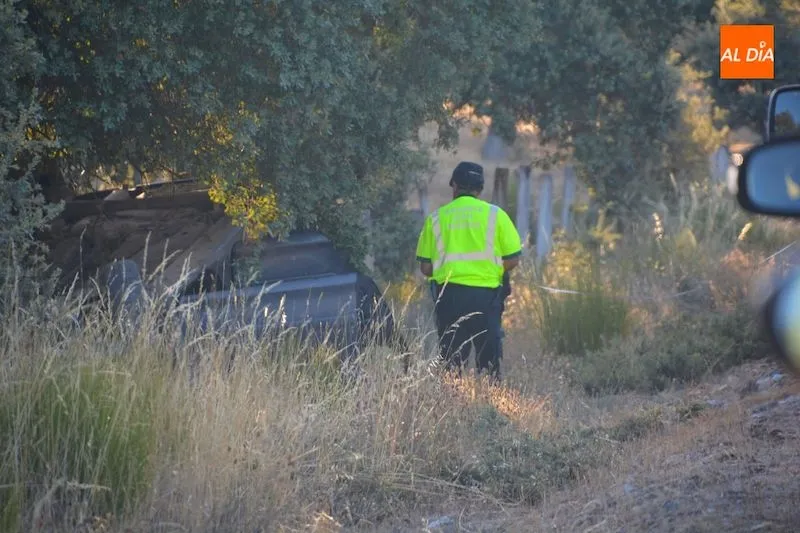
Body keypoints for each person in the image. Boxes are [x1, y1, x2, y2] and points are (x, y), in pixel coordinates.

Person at [415, 161, 522, 382]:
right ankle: (491, 405)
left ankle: (453, 405)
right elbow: (513, 258)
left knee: (452, 363)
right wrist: (489, 269)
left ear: (454, 185)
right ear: (480, 189)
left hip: (449, 297)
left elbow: (425, 267)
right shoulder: (496, 215)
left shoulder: (436, 219)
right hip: (486, 298)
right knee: (489, 361)